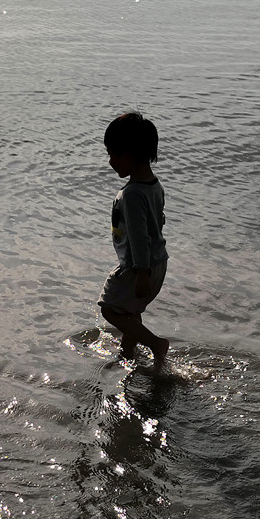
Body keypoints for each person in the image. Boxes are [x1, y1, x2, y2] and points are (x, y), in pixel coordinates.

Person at [98, 112, 169, 370]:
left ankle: (155, 344)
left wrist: (140, 272)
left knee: (110, 309)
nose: (110, 162)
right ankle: (128, 353)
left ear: (130, 154)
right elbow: (158, 222)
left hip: (141, 266)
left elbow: (140, 237)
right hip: (157, 262)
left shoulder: (132, 194)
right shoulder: (154, 185)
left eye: (114, 155)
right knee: (129, 312)